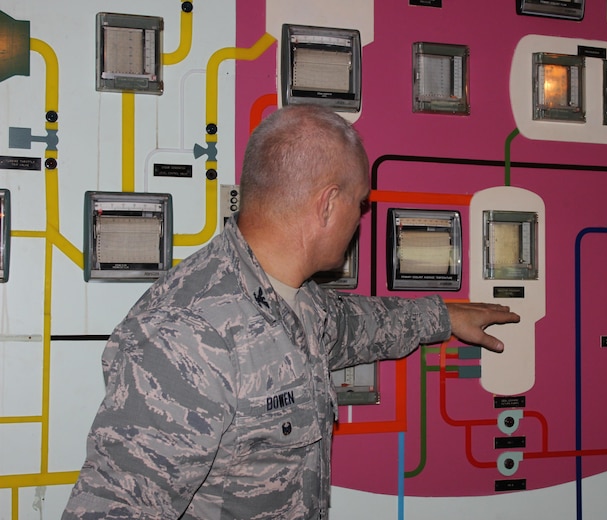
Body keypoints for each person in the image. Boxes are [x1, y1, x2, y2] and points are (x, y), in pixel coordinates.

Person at [62, 104, 520, 519]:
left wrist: (443, 316)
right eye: (358, 204)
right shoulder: (190, 333)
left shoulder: (297, 300)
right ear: (326, 205)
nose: (360, 219)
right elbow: (114, 507)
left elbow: (357, 324)